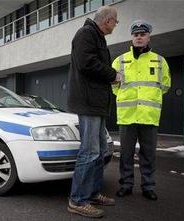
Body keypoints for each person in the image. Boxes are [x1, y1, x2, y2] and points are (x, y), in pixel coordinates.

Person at [67, 6, 122, 218]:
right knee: (89, 151)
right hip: (88, 103)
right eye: (115, 22)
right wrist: (113, 74)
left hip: (96, 104)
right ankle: (77, 200)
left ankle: (91, 193)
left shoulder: (97, 37)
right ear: (107, 21)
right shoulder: (86, 34)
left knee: (99, 151)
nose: (115, 25)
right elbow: (87, 63)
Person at [112, 20, 171, 201]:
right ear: (132, 37)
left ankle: (148, 186)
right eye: (136, 35)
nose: (139, 37)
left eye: (142, 34)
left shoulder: (160, 61)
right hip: (127, 116)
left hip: (149, 116)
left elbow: (165, 85)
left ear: (148, 37)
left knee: (148, 155)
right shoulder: (119, 61)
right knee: (126, 154)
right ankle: (126, 184)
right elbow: (114, 87)